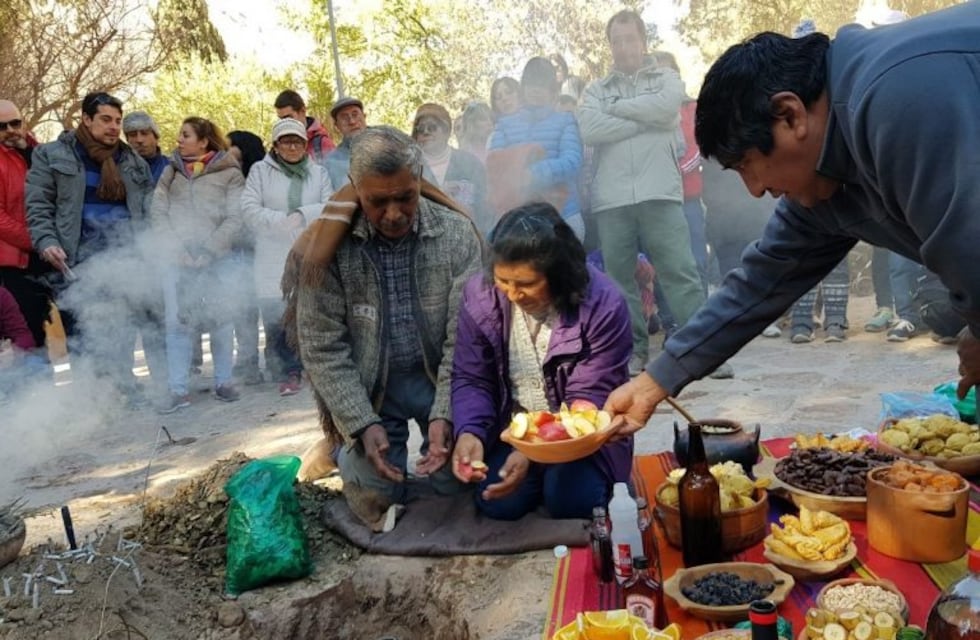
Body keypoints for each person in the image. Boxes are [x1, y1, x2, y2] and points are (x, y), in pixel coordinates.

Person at [604, 4, 980, 435]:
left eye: (747, 164)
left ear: (790, 115)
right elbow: (762, 279)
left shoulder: (895, 98)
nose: (755, 190)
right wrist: (655, 382)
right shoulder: (822, 179)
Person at [295, 126, 483, 531]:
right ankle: (342, 445)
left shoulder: (455, 234)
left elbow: (464, 340)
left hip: (440, 380)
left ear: (419, 181)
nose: (394, 213)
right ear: (356, 190)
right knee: (373, 494)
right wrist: (361, 422)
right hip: (371, 389)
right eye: (378, 202)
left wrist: (446, 414)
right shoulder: (328, 249)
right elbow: (321, 346)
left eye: (405, 197)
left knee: (462, 482)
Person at [451, 202, 633, 519]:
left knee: (571, 502)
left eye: (525, 284)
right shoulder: (479, 296)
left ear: (558, 274)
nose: (512, 294)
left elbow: (589, 398)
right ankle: (534, 475)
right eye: (502, 280)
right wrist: (470, 432)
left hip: (581, 436)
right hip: (514, 431)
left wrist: (533, 453)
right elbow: (472, 377)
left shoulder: (604, 303)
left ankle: (561, 479)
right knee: (496, 501)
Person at [578, 10, 708, 377]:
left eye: (630, 39)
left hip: (661, 192)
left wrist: (617, 113)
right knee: (619, 281)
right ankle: (634, 351)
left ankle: (702, 353)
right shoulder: (596, 90)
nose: (623, 47)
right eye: (616, 41)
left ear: (643, 41)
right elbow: (589, 127)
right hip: (612, 199)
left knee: (680, 272)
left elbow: (668, 108)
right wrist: (645, 119)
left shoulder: (666, 78)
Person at [26, 91, 154, 403]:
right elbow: (38, 205)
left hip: (124, 255)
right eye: (106, 120)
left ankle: (122, 385)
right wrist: (47, 241)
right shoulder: (52, 155)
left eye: (117, 121)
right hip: (77, 258)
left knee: (122, 324)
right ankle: (95, 397)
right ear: (86, 119)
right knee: (86, 328)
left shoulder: (132, 161)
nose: (114, 127)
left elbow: (147, 209)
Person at [150, 116, 244, 412]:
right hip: (177, 260)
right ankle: (178, 390)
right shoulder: (171, 171)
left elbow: (235, 217)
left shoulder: (229, 172)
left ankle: (223, 382)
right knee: (178, 324)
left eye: (185, 135)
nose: (179, 140)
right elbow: (158, 212)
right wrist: (177, 250)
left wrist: (209, 250)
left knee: (221, 320)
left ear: (203, 141)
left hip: (217, 260)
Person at [242, 117, 331, 396]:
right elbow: (248, 207)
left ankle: (308, 367)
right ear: (276, 145)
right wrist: (277, 220)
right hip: (272, 249)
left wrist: (301, 215)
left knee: (306, 311)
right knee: (276, 312)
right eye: (286, 141)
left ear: (305, 144)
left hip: (308, 248)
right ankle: (285, 369)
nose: (292, 146)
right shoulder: (260, 171)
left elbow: (330, 205)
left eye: (297, 141)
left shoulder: (318, 173)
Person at [488, 57, 584, 240]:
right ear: (523, 87)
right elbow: (495, 164)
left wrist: (534, 173)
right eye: (532, 83)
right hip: (519, 215)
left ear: (553, 90)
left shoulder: (565, 120)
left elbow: (572, 161)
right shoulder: (504, 125)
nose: (536, 90)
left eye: (543, 84)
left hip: (563, 213)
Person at [121, 110, 170, 398]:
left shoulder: (170, 167)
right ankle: (127, 388)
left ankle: (165, 381)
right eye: (132, 135)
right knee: (128, 322)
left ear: (155, 135)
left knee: (161, 322)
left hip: (163, 255)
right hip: (130, 255)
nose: (139, 140)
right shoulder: (119, 167)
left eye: (144, 133)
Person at [0, 99, 49, 353]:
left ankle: (85, 391)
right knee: (30, 333)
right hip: (15, 263)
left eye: (15, 123)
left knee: (76, 323)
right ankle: (36, 392)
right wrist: (37, 239)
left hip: (51, 255)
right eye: (2, 126)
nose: (10, 130)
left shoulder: (39, 152)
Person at [226, 130, 267, 385]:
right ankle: (247, 361)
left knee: (273, 308)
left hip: (263, 250)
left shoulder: (261, 178)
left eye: (230, 148)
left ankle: (279, 360)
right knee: (243, 310)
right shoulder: (224, 178)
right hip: (238, 252)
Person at [412, 102, 491, 237]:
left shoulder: (470, 164)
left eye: (432, 127)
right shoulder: (410, 166)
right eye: (420, 129)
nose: (426, 132)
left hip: (467, 238)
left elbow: (484, 208)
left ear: (446, 131)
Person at [273, 90, 336, 167]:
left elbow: (337, 176)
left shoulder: (322, 144)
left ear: (302, 111)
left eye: (289, 117)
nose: (286, 123)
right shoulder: (279, 146)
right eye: (281, 119)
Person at [324, 96, 367, 189]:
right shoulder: (331, 163)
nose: (352, 121)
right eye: (344, 117)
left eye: (355, 114)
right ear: (337, 126)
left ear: (364, 116)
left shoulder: (387, 144)